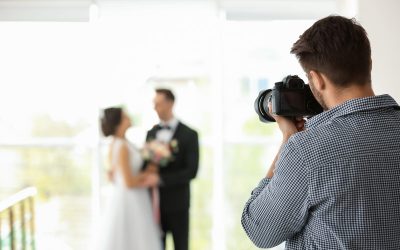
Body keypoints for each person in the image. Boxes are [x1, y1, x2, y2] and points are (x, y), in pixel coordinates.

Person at [241, 15, 400, 249]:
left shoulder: (305, 150)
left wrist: (289, 139)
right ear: (368, 64)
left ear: (316, 79)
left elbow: (260, 230)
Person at [143, 88, 199, 250]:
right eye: (154, 104)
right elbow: (146, 165)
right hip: (153, 204)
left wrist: (160, 179)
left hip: (178, 204)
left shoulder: (189, 135)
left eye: (158, 104)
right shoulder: (151, 133)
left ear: (171, 103)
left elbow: (191, 171)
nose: (155, 108)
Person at [99, 107, 162, 250]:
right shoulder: (122, 147)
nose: (129, 118)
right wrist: (149, 173)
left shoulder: (118, 143)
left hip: (126, 197)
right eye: (125, 116)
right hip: (131, 199)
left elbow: (113, 176)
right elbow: (129, 182)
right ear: (119, 122)